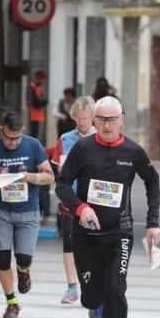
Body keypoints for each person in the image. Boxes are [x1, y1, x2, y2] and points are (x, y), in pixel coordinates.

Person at [55, 96, 160, 318]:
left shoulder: (133, 152)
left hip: (119, 231)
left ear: (122, 120)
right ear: (94, 120)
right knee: (91, 297)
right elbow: (63, 184)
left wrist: (153, 223)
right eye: (101, 119)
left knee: (116, 288)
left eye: (112, 119)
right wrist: (80, 208)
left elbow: (153, 182)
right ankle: (95, 304)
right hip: (86, 233)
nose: (106, 125)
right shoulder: (82, 149)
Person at [0, 111, 55, 318]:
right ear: (1, 131)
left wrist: (31, 177)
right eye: (8, 137)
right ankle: (12, 302)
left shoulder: (33, 145)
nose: (12, 143)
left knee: (24, 257)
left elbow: (49, 176)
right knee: (2, 258)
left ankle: (23, 270)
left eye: (16, 138)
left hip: (28, 212)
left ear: (22, 132)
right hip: (2, 212)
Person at [50, 96, 97, 304]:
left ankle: (93, 286)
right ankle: (71, 287)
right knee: (69, 243)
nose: (81, 123)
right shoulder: (65, 139)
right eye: (78, 118)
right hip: (71, 200)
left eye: (85, 118)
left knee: (94, 245)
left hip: (95, 202)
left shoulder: (102, 139)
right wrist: (61, 170)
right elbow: (54, 169)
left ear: (93, 117)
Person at [27, 71, 48, 141]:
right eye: (42, 79)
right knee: (33, 134)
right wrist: (44, 101)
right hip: (32, 115)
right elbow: (35, 102)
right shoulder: (32, 87)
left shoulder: (38, 87)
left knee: (35, 134)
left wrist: (43, 101)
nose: (43, 81)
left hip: (36, 115)